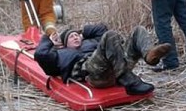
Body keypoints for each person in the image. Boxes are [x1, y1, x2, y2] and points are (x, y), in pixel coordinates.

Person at [34, 23, 171, 95]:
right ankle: (128, 80)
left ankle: (149, 55)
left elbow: (101, 28)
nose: (75, 37)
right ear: (64, 44)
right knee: (110, 35)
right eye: (71, 37)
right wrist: (48, 39)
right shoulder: (61, 54)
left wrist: (82, 32)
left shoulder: (91, 43)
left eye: (77, 35)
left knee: (138, 30)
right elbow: (41, 55)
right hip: (96, 74)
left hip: (116, 64)